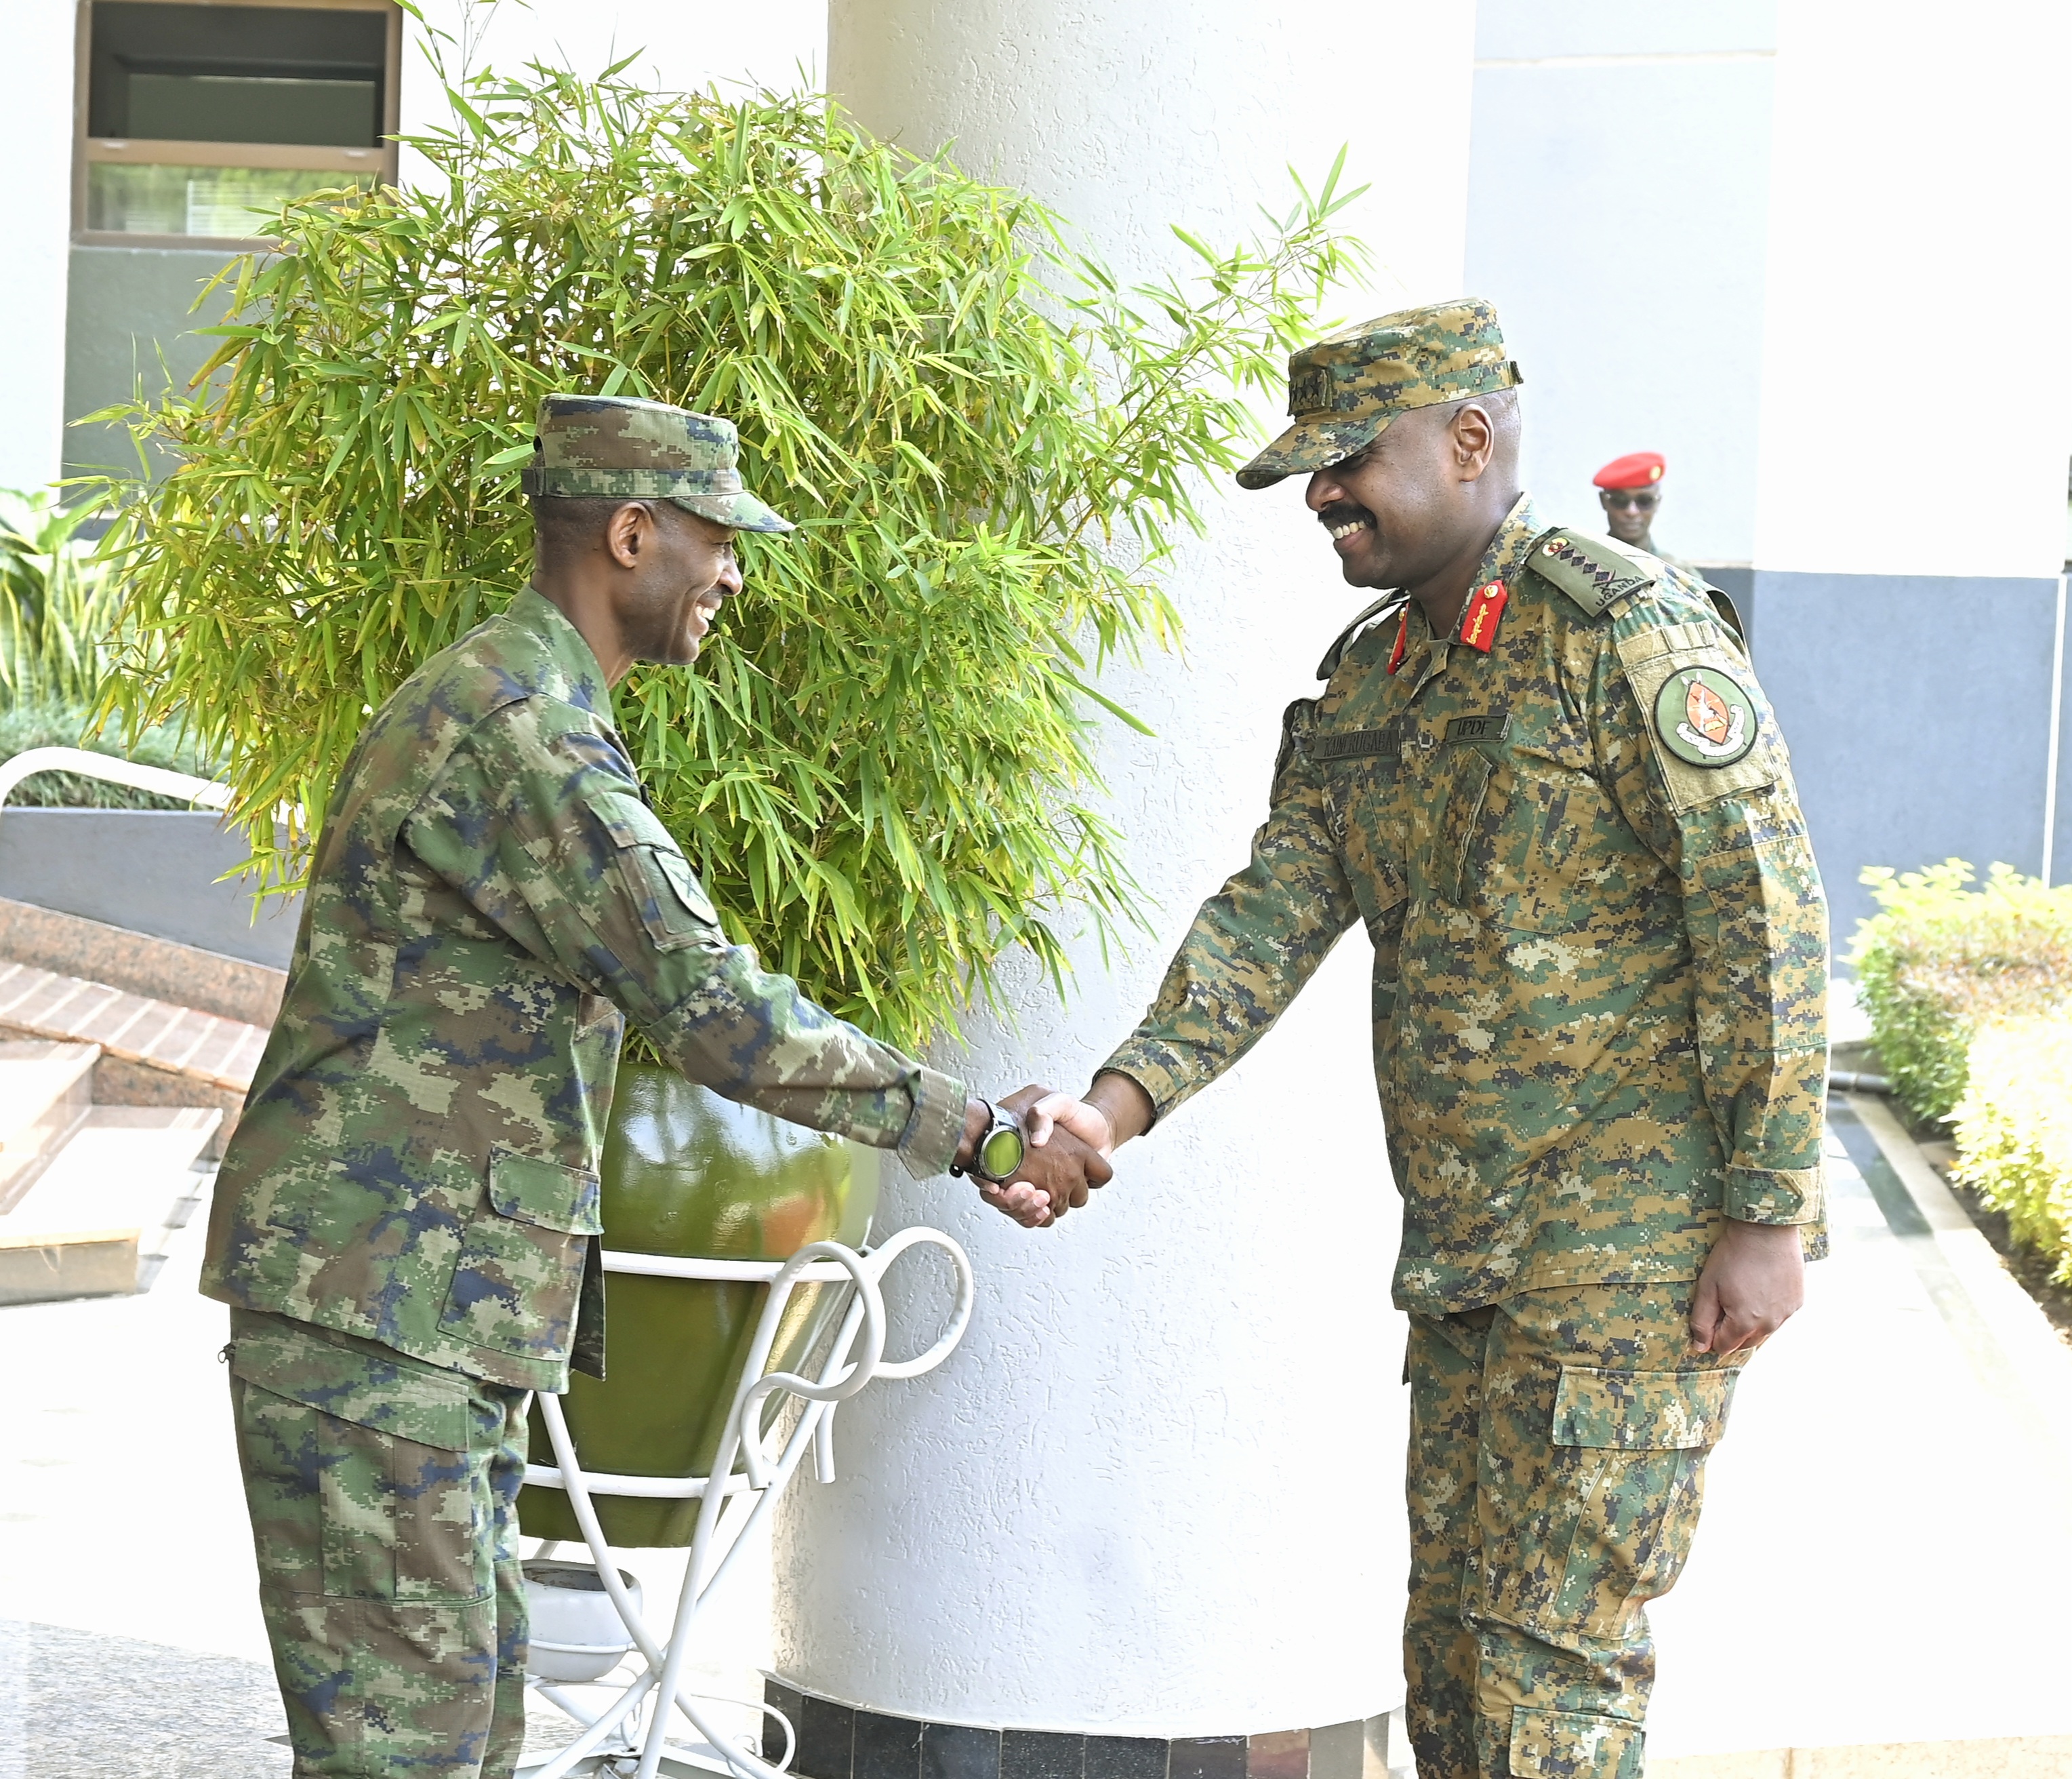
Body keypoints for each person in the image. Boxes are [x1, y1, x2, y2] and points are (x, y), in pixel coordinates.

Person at [201, 394, 1108, 1778]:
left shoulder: (524, 703)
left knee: (453, 1746)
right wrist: (973, 1133)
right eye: (717, 538)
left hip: (410, 1320)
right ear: (634, 535)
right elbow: (713, 1009)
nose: (734, 572)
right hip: (378, 1326)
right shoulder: (523, 736)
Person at [1009, 302, 1828, 1779]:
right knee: (1450, 1674)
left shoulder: (1622, 633)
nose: (1321, 495)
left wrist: (1766, 1213)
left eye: (1345, 462)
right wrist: (1114, 1107)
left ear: (1467, 440)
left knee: (1545, 1684)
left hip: (1630, 1261)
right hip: (1467, 1263)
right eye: (1308, 471)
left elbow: (1762, 917)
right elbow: (1267, 916)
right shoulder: (1373, 681)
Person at [1593, 449, 1678, 563]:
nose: (1632, 512)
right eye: (1620, 501)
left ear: (1657, 503)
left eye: (1644, 501)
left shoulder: (1677, 574)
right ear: (1604, 501)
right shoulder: (1579, 566)